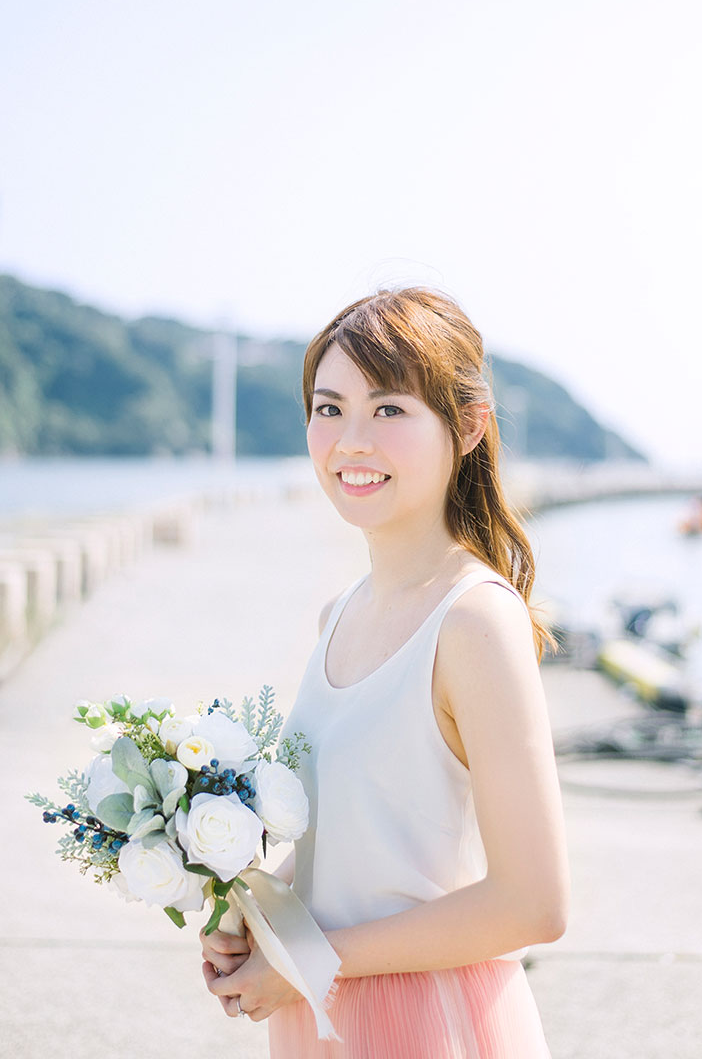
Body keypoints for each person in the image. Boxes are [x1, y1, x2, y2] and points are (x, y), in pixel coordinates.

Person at [200, 287, 570, 1057]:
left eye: (390, 410)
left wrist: (313, 958)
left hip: (430, 1021)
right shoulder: (339, 612)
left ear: (468, 426)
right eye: (329, 409)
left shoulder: (473, 621)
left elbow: (534, 904)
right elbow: (347, 838)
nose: (350, 441)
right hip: (325, 1016)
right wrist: (249, 917)